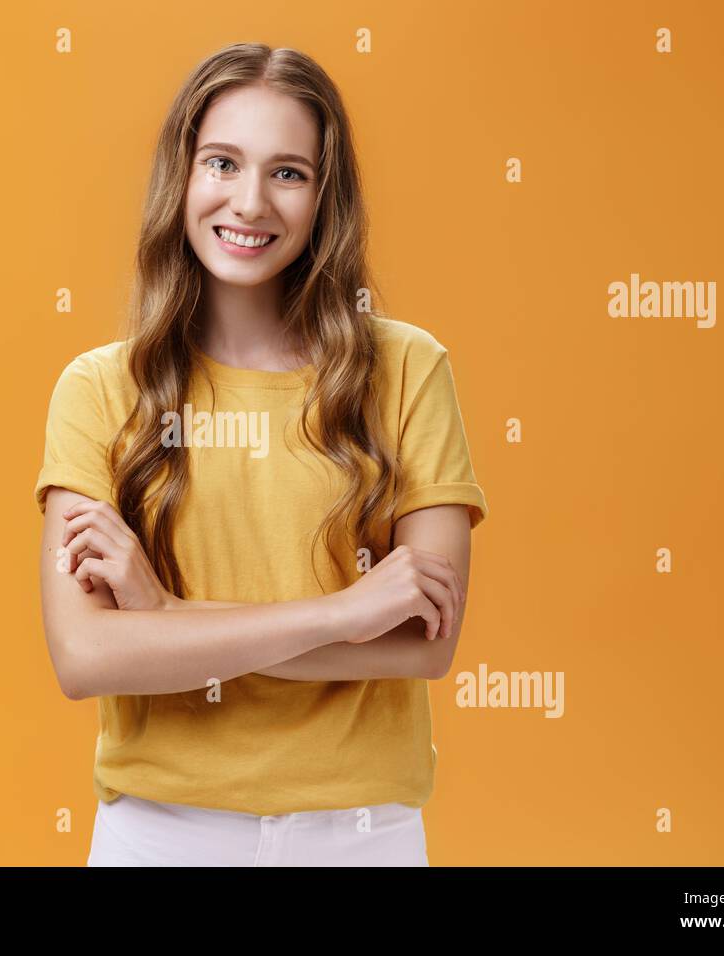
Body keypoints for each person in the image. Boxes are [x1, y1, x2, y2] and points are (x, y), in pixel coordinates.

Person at [34, 42, 488, 866]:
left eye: (288, 173)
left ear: (325, 198)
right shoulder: (100, 389)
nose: (249, 202)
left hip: (361, 836)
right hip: (158, 836)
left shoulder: (409, 370)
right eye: (222, 162)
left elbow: (427, 641)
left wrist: (166, 618)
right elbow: (88, 655)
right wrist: (345, 613)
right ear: (183, 175)